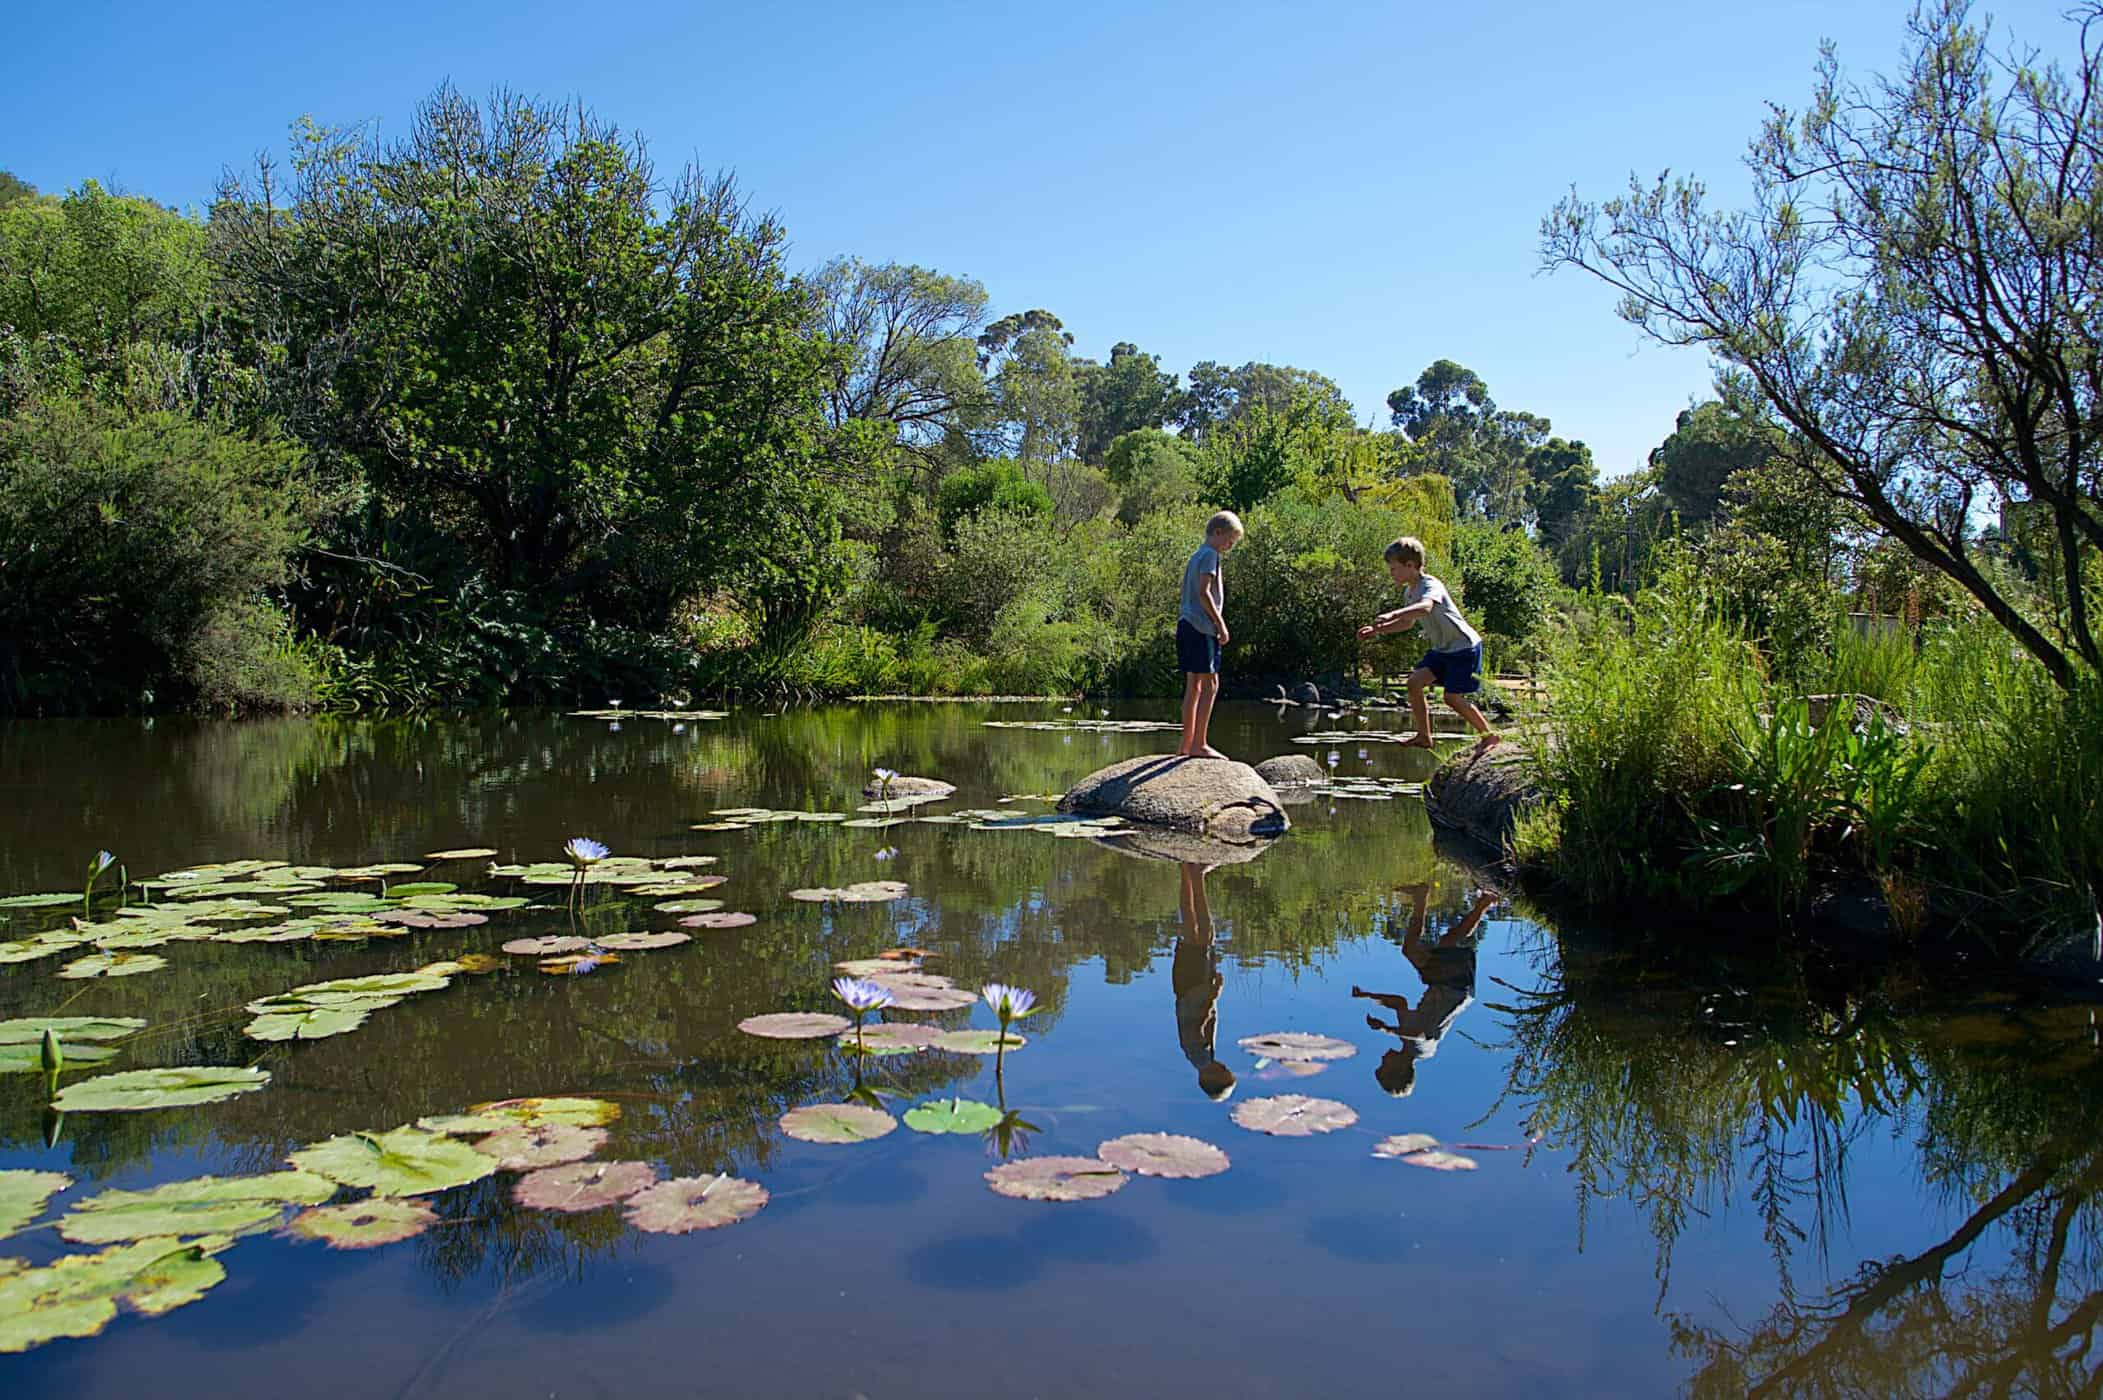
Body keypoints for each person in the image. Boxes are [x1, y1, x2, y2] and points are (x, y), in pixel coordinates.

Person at [1354, 883, 1499, 1097]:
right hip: (1453, 988)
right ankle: (1422, 896)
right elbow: (1421, 1035)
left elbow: (1399, 1003)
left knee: (1447, 940)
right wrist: (1386, 1029)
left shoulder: (1406, 1041)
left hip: (1448, 986)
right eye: (1384, 1065)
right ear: (1400, 1069)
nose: (1383, 1059)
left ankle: (1484, 902)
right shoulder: (1422, 1051)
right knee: (1414, 948)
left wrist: (1368, 996)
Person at [1357, 536, 1499, 751]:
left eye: (1394, 568)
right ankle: (1424, 736)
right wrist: (1377, 630)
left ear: (1411, 566)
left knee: (1451, 697)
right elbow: (1406, 623)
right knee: (1414, 683)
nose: (1391, 573)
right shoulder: (1410, 591)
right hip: (1443, 650)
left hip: (1463, 648)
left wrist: (1393, 613)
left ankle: (1489, 736)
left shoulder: (1430, 585)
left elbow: (1425, 608)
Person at [1176, 510, 1244, 760]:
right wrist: (1221, 624)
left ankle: (1186, 744)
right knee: (1211, 684)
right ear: (1217, 532)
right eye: (1229, 541)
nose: (1229, 546)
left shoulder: (1196, 556)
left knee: (1193, 685)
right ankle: (1199, 744)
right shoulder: (1210, 555)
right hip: (1202, 627)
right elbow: (1204, 593)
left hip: (1186, 624)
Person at [1172, 861, 1236, 1101]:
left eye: (1225, 1077)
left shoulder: (1201, 1057)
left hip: (1194, 987)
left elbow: (1199, 1024)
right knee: (1191, 928)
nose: (1228, 1070)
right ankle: (1187, 873)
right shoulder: (1195, 1057)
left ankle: (1196, 875)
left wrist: (1213, 993)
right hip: (1186, 987)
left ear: (1213, 1079)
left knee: (1203, 931)